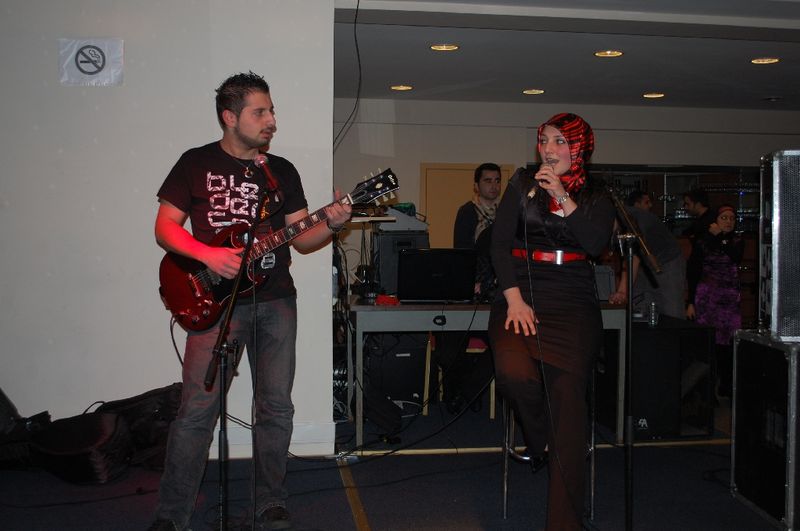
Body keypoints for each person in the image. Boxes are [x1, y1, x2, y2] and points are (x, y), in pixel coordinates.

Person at [149, 72, 351, 531]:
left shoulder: (282, 171)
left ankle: (270, 503)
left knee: (275, 407)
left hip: (276, 300)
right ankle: (172, 515)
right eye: (260, 112)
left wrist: (335, 222)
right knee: (196, 412)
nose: (271, 120)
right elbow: (165, 228)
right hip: (213, 300)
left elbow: (303, 238)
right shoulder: (195, 163)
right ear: (230, 116)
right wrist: (208, 256)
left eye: (272, 110)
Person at [489, 113, 615, 530]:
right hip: (520, 294)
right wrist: (514, 300)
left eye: (559, 141)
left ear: (579, 148)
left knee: (569, 405)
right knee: (513, 374)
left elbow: (595, 243)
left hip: (572, 298)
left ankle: (564, 523)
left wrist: (562, 194)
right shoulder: (522, 183)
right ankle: (542, 439)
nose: (547, 149)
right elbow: (499, 244)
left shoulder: (597, 194)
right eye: (544, 140)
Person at [436, 163, 501, 413]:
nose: (493, 185)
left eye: (497, 180)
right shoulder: (467, 213)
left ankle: (470, 390)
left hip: (499, 295)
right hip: (470, 293)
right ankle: (454, 393)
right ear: (476, 185)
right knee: (450, 345)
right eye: (488, 180)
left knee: (506, 345)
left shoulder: (508, 215)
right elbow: (461, 253)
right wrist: (472, 283)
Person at [686, 204, 743, 398]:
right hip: (707, 298)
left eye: (732, 218)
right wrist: (690, 301)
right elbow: (693, 271)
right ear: (715, 221)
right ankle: (706, 390)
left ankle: (726, 385)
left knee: (729, 343)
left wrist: (721, 237)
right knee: (708, 342)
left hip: (729, 300)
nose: (728, 222)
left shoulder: (736, 241)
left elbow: (735, 257)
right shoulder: (703, 241)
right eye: (724, 218)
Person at [608, 189, 686, 319]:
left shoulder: (633, 219)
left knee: (671, 310)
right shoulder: (611, 225)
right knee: (639, 307)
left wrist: (622, 290)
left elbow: (633, 257)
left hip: (666, 261)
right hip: (642, 265)